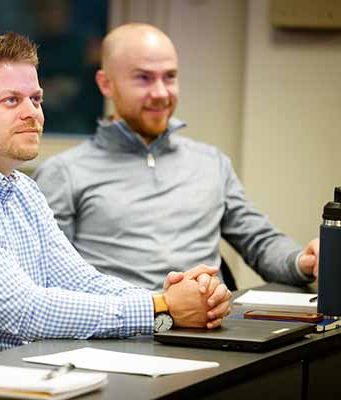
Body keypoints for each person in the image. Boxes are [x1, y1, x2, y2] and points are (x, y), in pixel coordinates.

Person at [0, 32, 232, 384]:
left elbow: (81, 281)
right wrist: (163, 307)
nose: (33, 114)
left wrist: (175, 303)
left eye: (36, 99)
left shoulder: (21, 189)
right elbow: (25, 311)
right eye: (11, 100)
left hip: (3, 376)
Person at [34, 23, 320, 291]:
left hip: (212, 332)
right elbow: (52, 279)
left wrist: (302, 260)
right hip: (123, 334)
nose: (160, 93)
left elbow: (260, 242)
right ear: (106, 84)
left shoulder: (211, 163)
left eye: (169, 77)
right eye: (143, 78)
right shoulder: (64, 173)